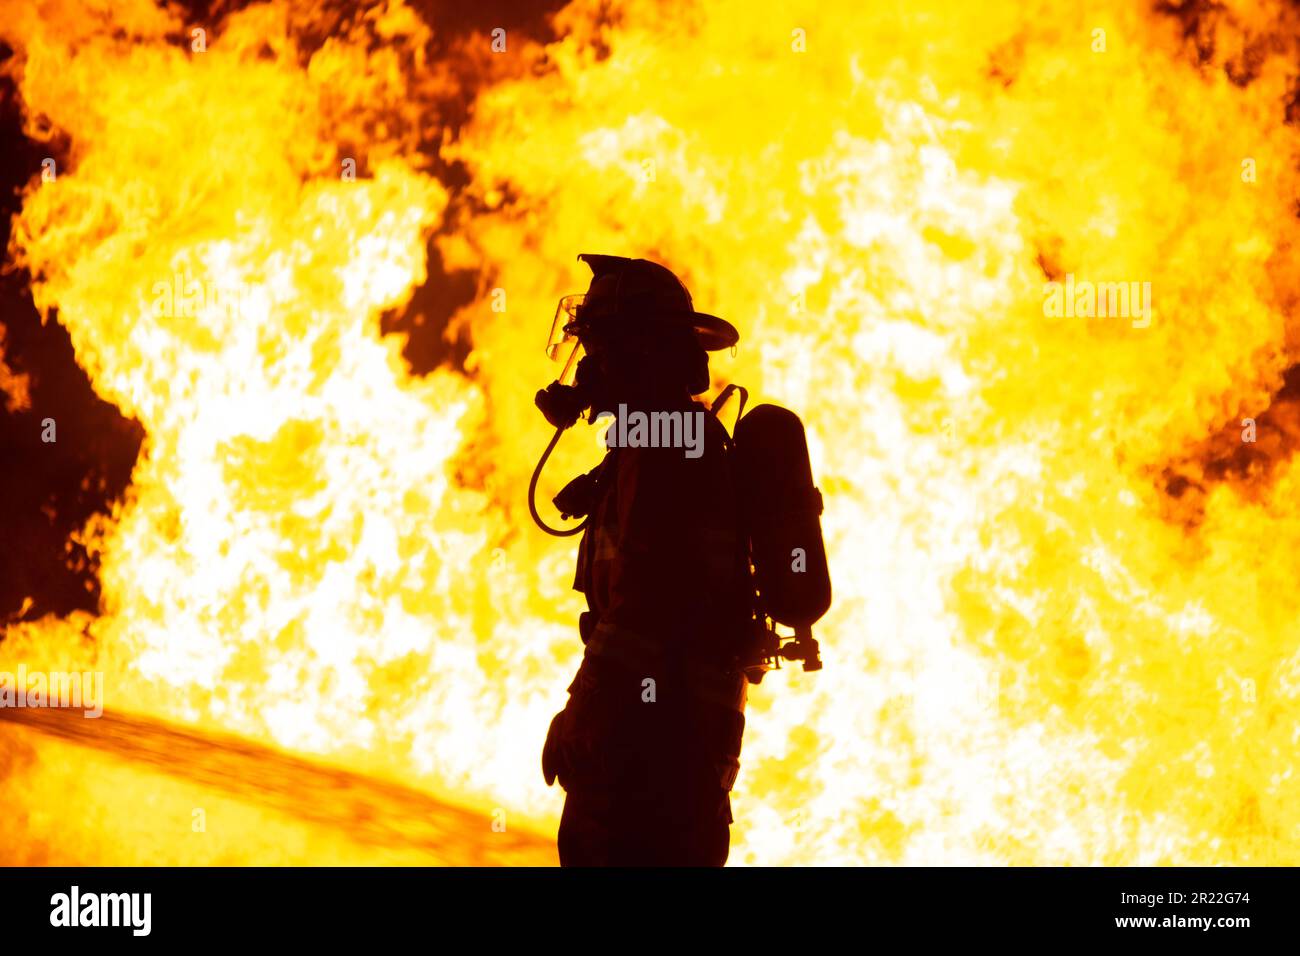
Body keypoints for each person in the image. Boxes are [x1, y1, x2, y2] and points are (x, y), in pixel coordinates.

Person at [537, 255, 753, 866]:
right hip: (662, 755)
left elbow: (648, 607)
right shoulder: (654, 442)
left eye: (600, 349)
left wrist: (585, 707)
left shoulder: (666, 452)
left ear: (639, 352)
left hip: (653, 762)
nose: (588, 368)